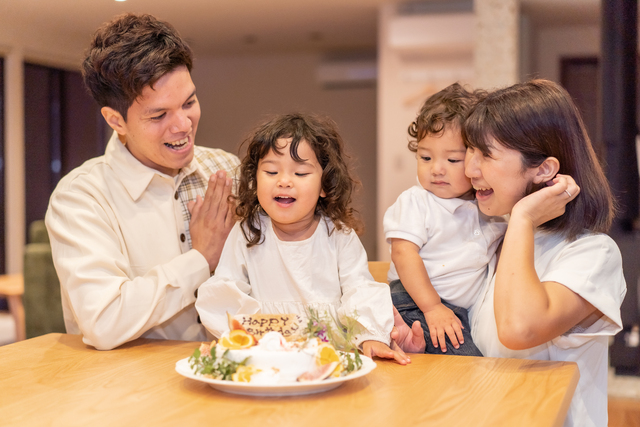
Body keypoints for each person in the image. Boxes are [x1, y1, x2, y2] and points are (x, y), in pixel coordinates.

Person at [392, 79, 626, 427]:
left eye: (484, 154)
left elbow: (519, 328)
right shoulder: (499, 242)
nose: (470, 170)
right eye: (469, 151)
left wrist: (523, 217)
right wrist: (423, 344)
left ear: (544, 170)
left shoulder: (593, 254)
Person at [45, 13, 240, 350]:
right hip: (129, 392)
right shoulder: (82, 198)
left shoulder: (227, 170)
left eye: (189, 102)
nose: (183, 125)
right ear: (115, 119)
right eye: (159, 115)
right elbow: (103, 322)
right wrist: (201, 258)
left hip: (235, 380)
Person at [195, 113, 410, 364]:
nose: (284, 181)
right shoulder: (247, 233)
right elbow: (225, 290)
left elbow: (359, 289)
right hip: (266, 356)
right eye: (272, 171)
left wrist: (371, 336)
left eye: (300, 173)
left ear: (324, 186)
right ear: (255, 179)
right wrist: (247, 336)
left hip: (332, 357)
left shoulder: (338, 235)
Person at [384, 83, 505, 355]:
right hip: (416, 301)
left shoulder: (486, 206)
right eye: (425, 157)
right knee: (470, 365)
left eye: (452, 160)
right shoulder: (417, 201)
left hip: (455, 311)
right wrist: (432, 307)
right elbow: (403, 254)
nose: (436, 169)